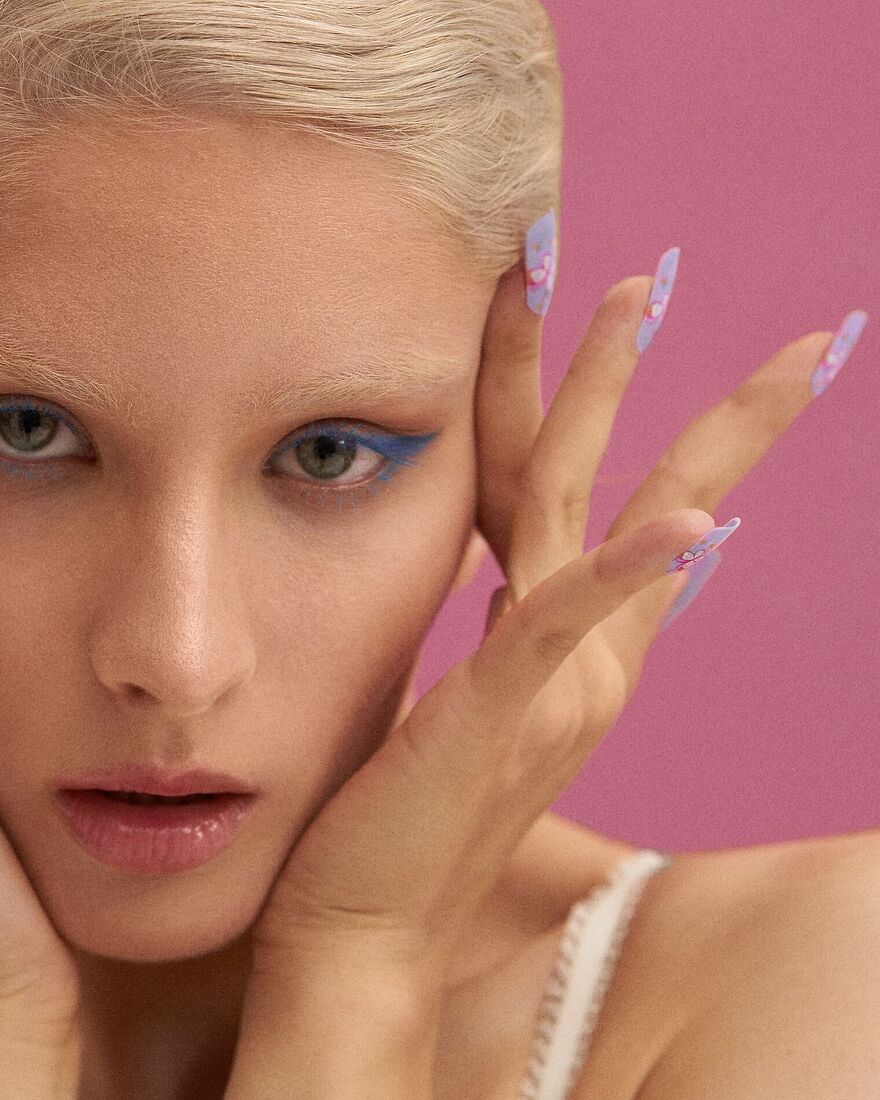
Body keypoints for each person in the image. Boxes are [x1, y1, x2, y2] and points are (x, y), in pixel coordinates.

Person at [0, 3, 873, 1098]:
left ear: (497, 468)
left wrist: (360, 968)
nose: (178, 660)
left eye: (327, 455)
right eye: (23, 431)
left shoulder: (815, 986)